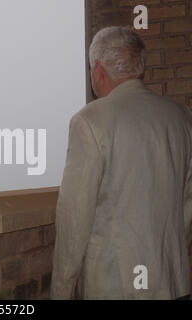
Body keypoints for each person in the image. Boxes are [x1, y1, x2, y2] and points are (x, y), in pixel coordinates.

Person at [50, 26, 192, 300]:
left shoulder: (89, 121)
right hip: (174, 283)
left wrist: (61, 290)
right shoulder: (182, 117)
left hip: (115, 286)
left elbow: (74, 218)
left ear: (99, 70)